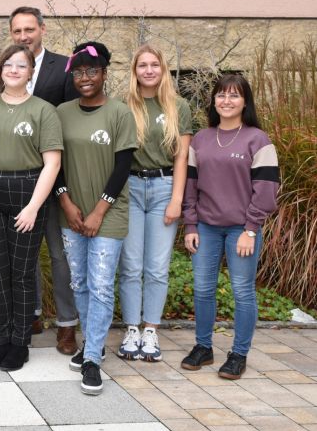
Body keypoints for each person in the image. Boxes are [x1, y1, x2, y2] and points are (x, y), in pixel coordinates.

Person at [0, 44, 62, 371]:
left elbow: (52, 163)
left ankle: (20, 343)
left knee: (21, 273)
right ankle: (0, 340)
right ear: (1, 69)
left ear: (31, 71)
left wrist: (34, 206)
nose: (15, 69)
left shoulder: (43, 110)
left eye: (22, 65)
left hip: (27, 191)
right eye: (9, 64)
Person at [180, 74, 279, 380]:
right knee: (203, 289)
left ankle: (238, 354)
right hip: (206, 227)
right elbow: (191, 186)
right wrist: (190, 224)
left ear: (245, 102)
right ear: (214, 101)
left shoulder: (257, 140)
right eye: (221, 95)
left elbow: (266, 187)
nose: (226, 101)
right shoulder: (202, 139)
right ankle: (203, 347)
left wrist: (251, 228)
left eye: (234, 96)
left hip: (241, 228)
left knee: (242, 291)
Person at [56, 42, 137, 395]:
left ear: (105, 73)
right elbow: (53, 161)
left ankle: (91, 359)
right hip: (71, 212)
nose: (85, 78)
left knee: (102, 285)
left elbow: (123, 167)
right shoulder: (60, 113)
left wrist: (98, 210)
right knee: (80, 284)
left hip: (109, 213)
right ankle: (95, 343)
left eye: (92, 71)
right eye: (79, 72)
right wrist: (67, 204)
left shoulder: (119, 113)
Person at [9, 6, 80, 354]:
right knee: (25, 252)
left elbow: (71, 126)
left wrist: (64, 186)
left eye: (29, 29)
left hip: (56, 176)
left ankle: (67, 324)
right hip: (18, 179)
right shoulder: (9, 68)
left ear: (42, 29)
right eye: (17, 31)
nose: (24, 36)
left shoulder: (63, 67)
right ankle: (31, 312)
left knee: (58, 253)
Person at [116, 45, 192, 362]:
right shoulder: (122, 105)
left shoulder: (179, 106)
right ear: (134, 71)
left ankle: (151, 330)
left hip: (163, 188)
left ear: (163, 70)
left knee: (157, 267)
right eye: (142, 65)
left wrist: (177, 199)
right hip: (130, 187)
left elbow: (182, 156)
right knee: (131, 266)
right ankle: (131, 328)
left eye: (154, 65)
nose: (148, 70)